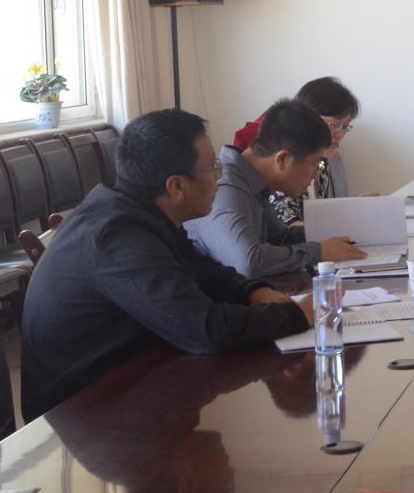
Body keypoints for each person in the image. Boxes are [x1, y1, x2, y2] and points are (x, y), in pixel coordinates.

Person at [20, 109, 314, 421]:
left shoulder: (137, 212)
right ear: (176, 187)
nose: (220, 178)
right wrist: (296, 315)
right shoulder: (117, 236)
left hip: (133, 378)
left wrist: (253, 291)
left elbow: (202, 269)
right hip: (86, 412)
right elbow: (204, 329)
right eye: (213, 167)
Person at [186, 99, 365, 278]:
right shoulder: (225, 186)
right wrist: (318, 251)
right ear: (282, 159)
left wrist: (339, 230)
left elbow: (279, 239)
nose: (316, 175)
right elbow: (248, 262)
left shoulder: (255, 181)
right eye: (315, 164)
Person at [233, 76, 365, 223]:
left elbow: (322, 214)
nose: (339, 134)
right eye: (334, 125)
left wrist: (357, 209)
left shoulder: (324, 161)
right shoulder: (285, 163)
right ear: (306, 118)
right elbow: (286, 226)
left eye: (345, 126)